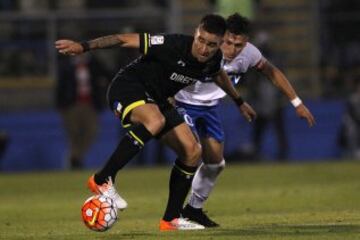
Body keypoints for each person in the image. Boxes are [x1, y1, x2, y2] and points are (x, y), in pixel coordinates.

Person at [55, 14, 257, 230]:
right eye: (201, 40)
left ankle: (170, 219)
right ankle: (103, 178)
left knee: (193, 151)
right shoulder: (172, 44)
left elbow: (219, 76)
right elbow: (123, 39)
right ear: (196, 32)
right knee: (156, 120)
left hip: (158, 99)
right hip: (129, 87)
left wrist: (239, 101)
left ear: (219, 44)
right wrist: (83, 47)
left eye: (211, 45)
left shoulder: (213, 59)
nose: (204, 49)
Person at [174, 13, 316, 227]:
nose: (232, 49)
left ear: (246, 43)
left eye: (238, 45)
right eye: (228, 42)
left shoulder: (250, 54)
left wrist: (297, 103)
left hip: (210, 108)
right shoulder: (205, 48)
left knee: (215, 163)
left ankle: (193, 210)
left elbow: (272, 72)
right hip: (182, 103)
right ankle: (173, 215)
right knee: (192, 152)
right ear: (222, 37)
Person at [56, 54, 109, 169]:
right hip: (72, 106)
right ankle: (75, 161)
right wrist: (61, 105)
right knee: (74, 134)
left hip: (90, 106)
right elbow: (61, 86)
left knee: (91, 131)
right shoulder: (67, 66)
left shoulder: (94, 64)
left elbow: (108, 75)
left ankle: (75, 157)